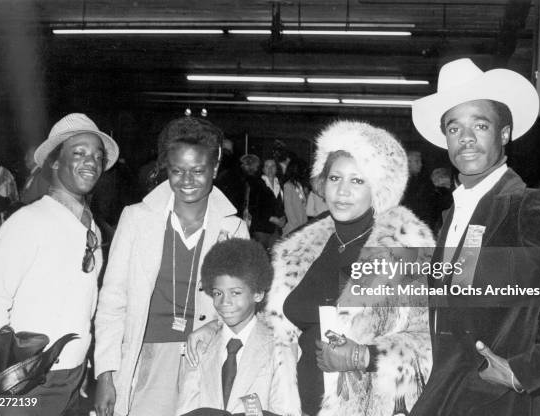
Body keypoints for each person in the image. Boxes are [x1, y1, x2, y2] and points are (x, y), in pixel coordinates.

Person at [410, 58, 540, 416]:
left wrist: (526, 371)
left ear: (504, 133)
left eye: (480, 124)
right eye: (454, 128)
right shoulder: (454, 214)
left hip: (494, 400)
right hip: (446, 392)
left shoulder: (523, 206)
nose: (466, 139)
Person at [265, 120, 435, 416]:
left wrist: (363, 355)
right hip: (296, 406)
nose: (342, 191)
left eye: (357, 181)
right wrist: (215, 329)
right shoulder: (299, 249)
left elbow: (433, 343)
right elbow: (275, 328)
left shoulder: (404, 249)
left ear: (378, 187)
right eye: (335, 178)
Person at [93, 117, 249, 416]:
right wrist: (105, 373)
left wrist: (215, 326)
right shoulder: (137, 219)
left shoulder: (234, 227)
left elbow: (239, 308)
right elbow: (112, 301)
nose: (186, 180)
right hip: (149, 355)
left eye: (198, 171)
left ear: (215, 168)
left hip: (206, 358)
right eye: (177, 171)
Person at [0, 113, 119, 415]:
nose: (91, 162)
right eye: (79, 153)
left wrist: (81, 365)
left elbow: (85, 305)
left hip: (72, 376)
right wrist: (4, 380)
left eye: (97, 155)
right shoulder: (28, 221)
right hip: (28, 379)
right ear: (55, 162)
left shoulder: (92, 229)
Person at [176, 238, 301, 416]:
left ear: (257, 294)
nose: (224, 302)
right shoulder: (200, 345)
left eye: (235, 293)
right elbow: (185, 408)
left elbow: (285, 410)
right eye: (218, 293)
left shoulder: (280, 348)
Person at [240, 154, 286, 251]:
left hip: (276, 229)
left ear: (277, 168)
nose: (270, 169)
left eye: (273, 166)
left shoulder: (280, 184)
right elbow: (253, 208)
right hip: (261, 230)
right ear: (263, 169)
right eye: (267, 166)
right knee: (260, 260)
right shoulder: (257, 184)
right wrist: (272, 218)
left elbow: (282, 206)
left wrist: (284, 218)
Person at [282, 158, 308, 235]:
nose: (304, 172)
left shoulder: (299, 185)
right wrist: (296, 227)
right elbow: (288, 209)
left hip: (302, 225)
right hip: (293, 228)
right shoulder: (288, 186)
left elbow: (303, 207)